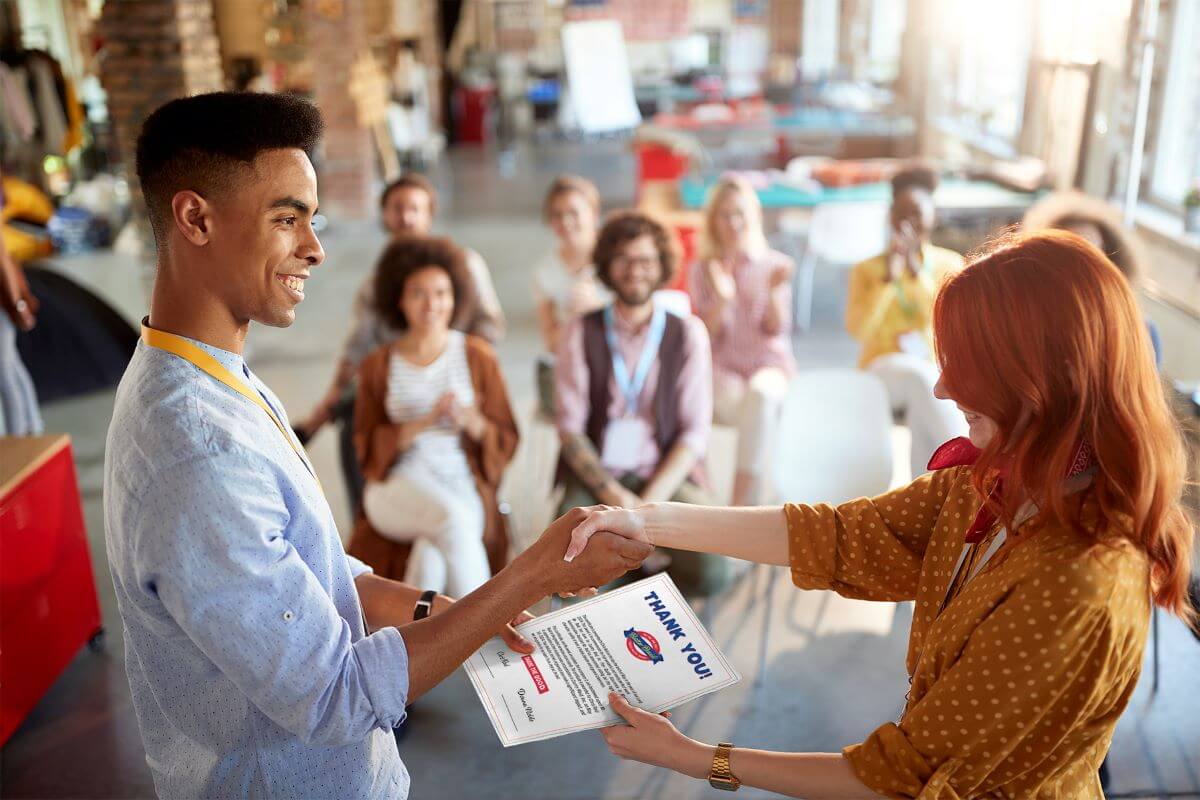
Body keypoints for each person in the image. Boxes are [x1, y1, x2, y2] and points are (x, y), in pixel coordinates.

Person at [103, 91, 651, 800]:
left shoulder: (212, 377)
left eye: (313, 219)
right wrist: (530, 575)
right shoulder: (195, 447)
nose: (315, 247)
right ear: (196, 218)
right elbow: (333, 697)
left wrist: (452, 609)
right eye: (286, 218)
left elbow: (319, 573)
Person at [565, 229, 1194, 798]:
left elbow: (905, 778)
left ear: (1044, 375)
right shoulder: (987, 479)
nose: (943, 388)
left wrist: (701, 758)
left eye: (968, 367)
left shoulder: (1079, 580)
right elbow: (836, 535)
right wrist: (649, 521)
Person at [555, 210, 731, 596]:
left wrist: (642, 509)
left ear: (662, 265)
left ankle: (638, 582)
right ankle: (626, 577)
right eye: (624, 259)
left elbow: (693, 434)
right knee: (566, 568)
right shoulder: (579, 330)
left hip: (664, 475)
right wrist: (617, 500)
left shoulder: (687, 333)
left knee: (714, 571)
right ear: (606, 265)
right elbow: (570, 429)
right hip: (599, 477)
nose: (635, 270)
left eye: (646, 260)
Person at [348, 234, 517, 596]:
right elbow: (365, 446)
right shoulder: (378, 365)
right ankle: (487, 632)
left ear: (455, 298)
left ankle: (413, 639)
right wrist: (424, 421)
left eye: (442, 293)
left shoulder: (477, 356)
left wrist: (472, 422)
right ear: (400, 301)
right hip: (396, 485)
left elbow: (505, 436)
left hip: (461, 481)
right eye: (419, 294)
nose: (432, 304)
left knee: (433, 554)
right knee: (454, 522)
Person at [296, 172, 505, 439]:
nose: (406, 218)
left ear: (429, 215)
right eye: (397, 208)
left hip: (456, 375)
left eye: (415, 209)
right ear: (384, 215)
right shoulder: (375, 285)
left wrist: (475, 380)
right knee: (355, 414)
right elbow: (359, 345)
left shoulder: (466, 265)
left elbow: (489, 326)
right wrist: (331, 398)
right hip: (400, 380)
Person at [846, 164, 967, 479]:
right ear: (890, 217)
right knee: (920, 379)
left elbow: (952, 325)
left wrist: (918, 273)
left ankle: (928, 488)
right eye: (902, 213)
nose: (909, 222)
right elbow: (859, 329)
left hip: (935, 370)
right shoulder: (867, 270)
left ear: (932, 215)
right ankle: (967, 466)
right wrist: (889, 280)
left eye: (917, 213)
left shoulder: (949, 264)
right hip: (881, 370)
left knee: (925, 395)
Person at [689, 174, 795, 506]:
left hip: (769, 364)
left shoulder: (774, 264)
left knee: (761, 396)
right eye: (725, 214)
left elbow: (777, 329)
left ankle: (740, 504)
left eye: (739, 213)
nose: (733, 223)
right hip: (722, 367)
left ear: (752, 216)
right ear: (713, 220)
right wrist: (722, 298)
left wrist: (775, 291)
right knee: (749, 408)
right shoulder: (701, 269)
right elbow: (702, 337)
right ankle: (747, 506)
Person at [1023, 189, 1162, 365]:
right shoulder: (1027, 329)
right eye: (1069, 257)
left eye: (1093, 256)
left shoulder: (1143, 335)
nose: (1082, 270)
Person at [533, 174, 610, 415]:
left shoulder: (616, 260)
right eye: (556, 214)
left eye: (573, 212)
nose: (565, 221)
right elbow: (550, 341)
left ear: (593, 214)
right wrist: (571, 318)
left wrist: (599, 310)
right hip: (574, 365)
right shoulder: (544, 271)